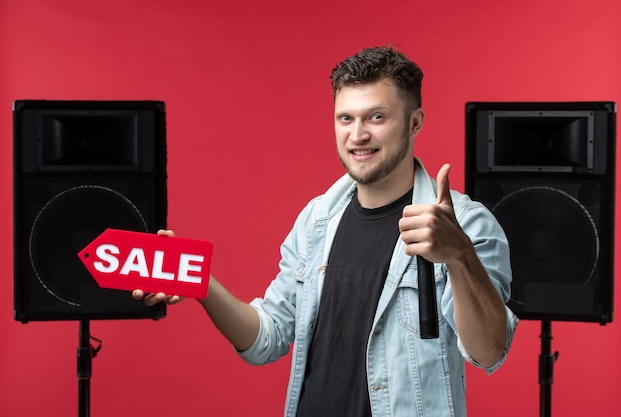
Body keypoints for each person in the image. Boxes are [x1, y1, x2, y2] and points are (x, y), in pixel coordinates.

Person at [133, 45, 518, 417]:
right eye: (345, 118)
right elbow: (266, 339)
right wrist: (199, 281)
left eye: (377, 117)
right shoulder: (317, 221)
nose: (358, 135)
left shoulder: (463, 225)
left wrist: (459, 256)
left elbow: (489, 350)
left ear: (414, 122)